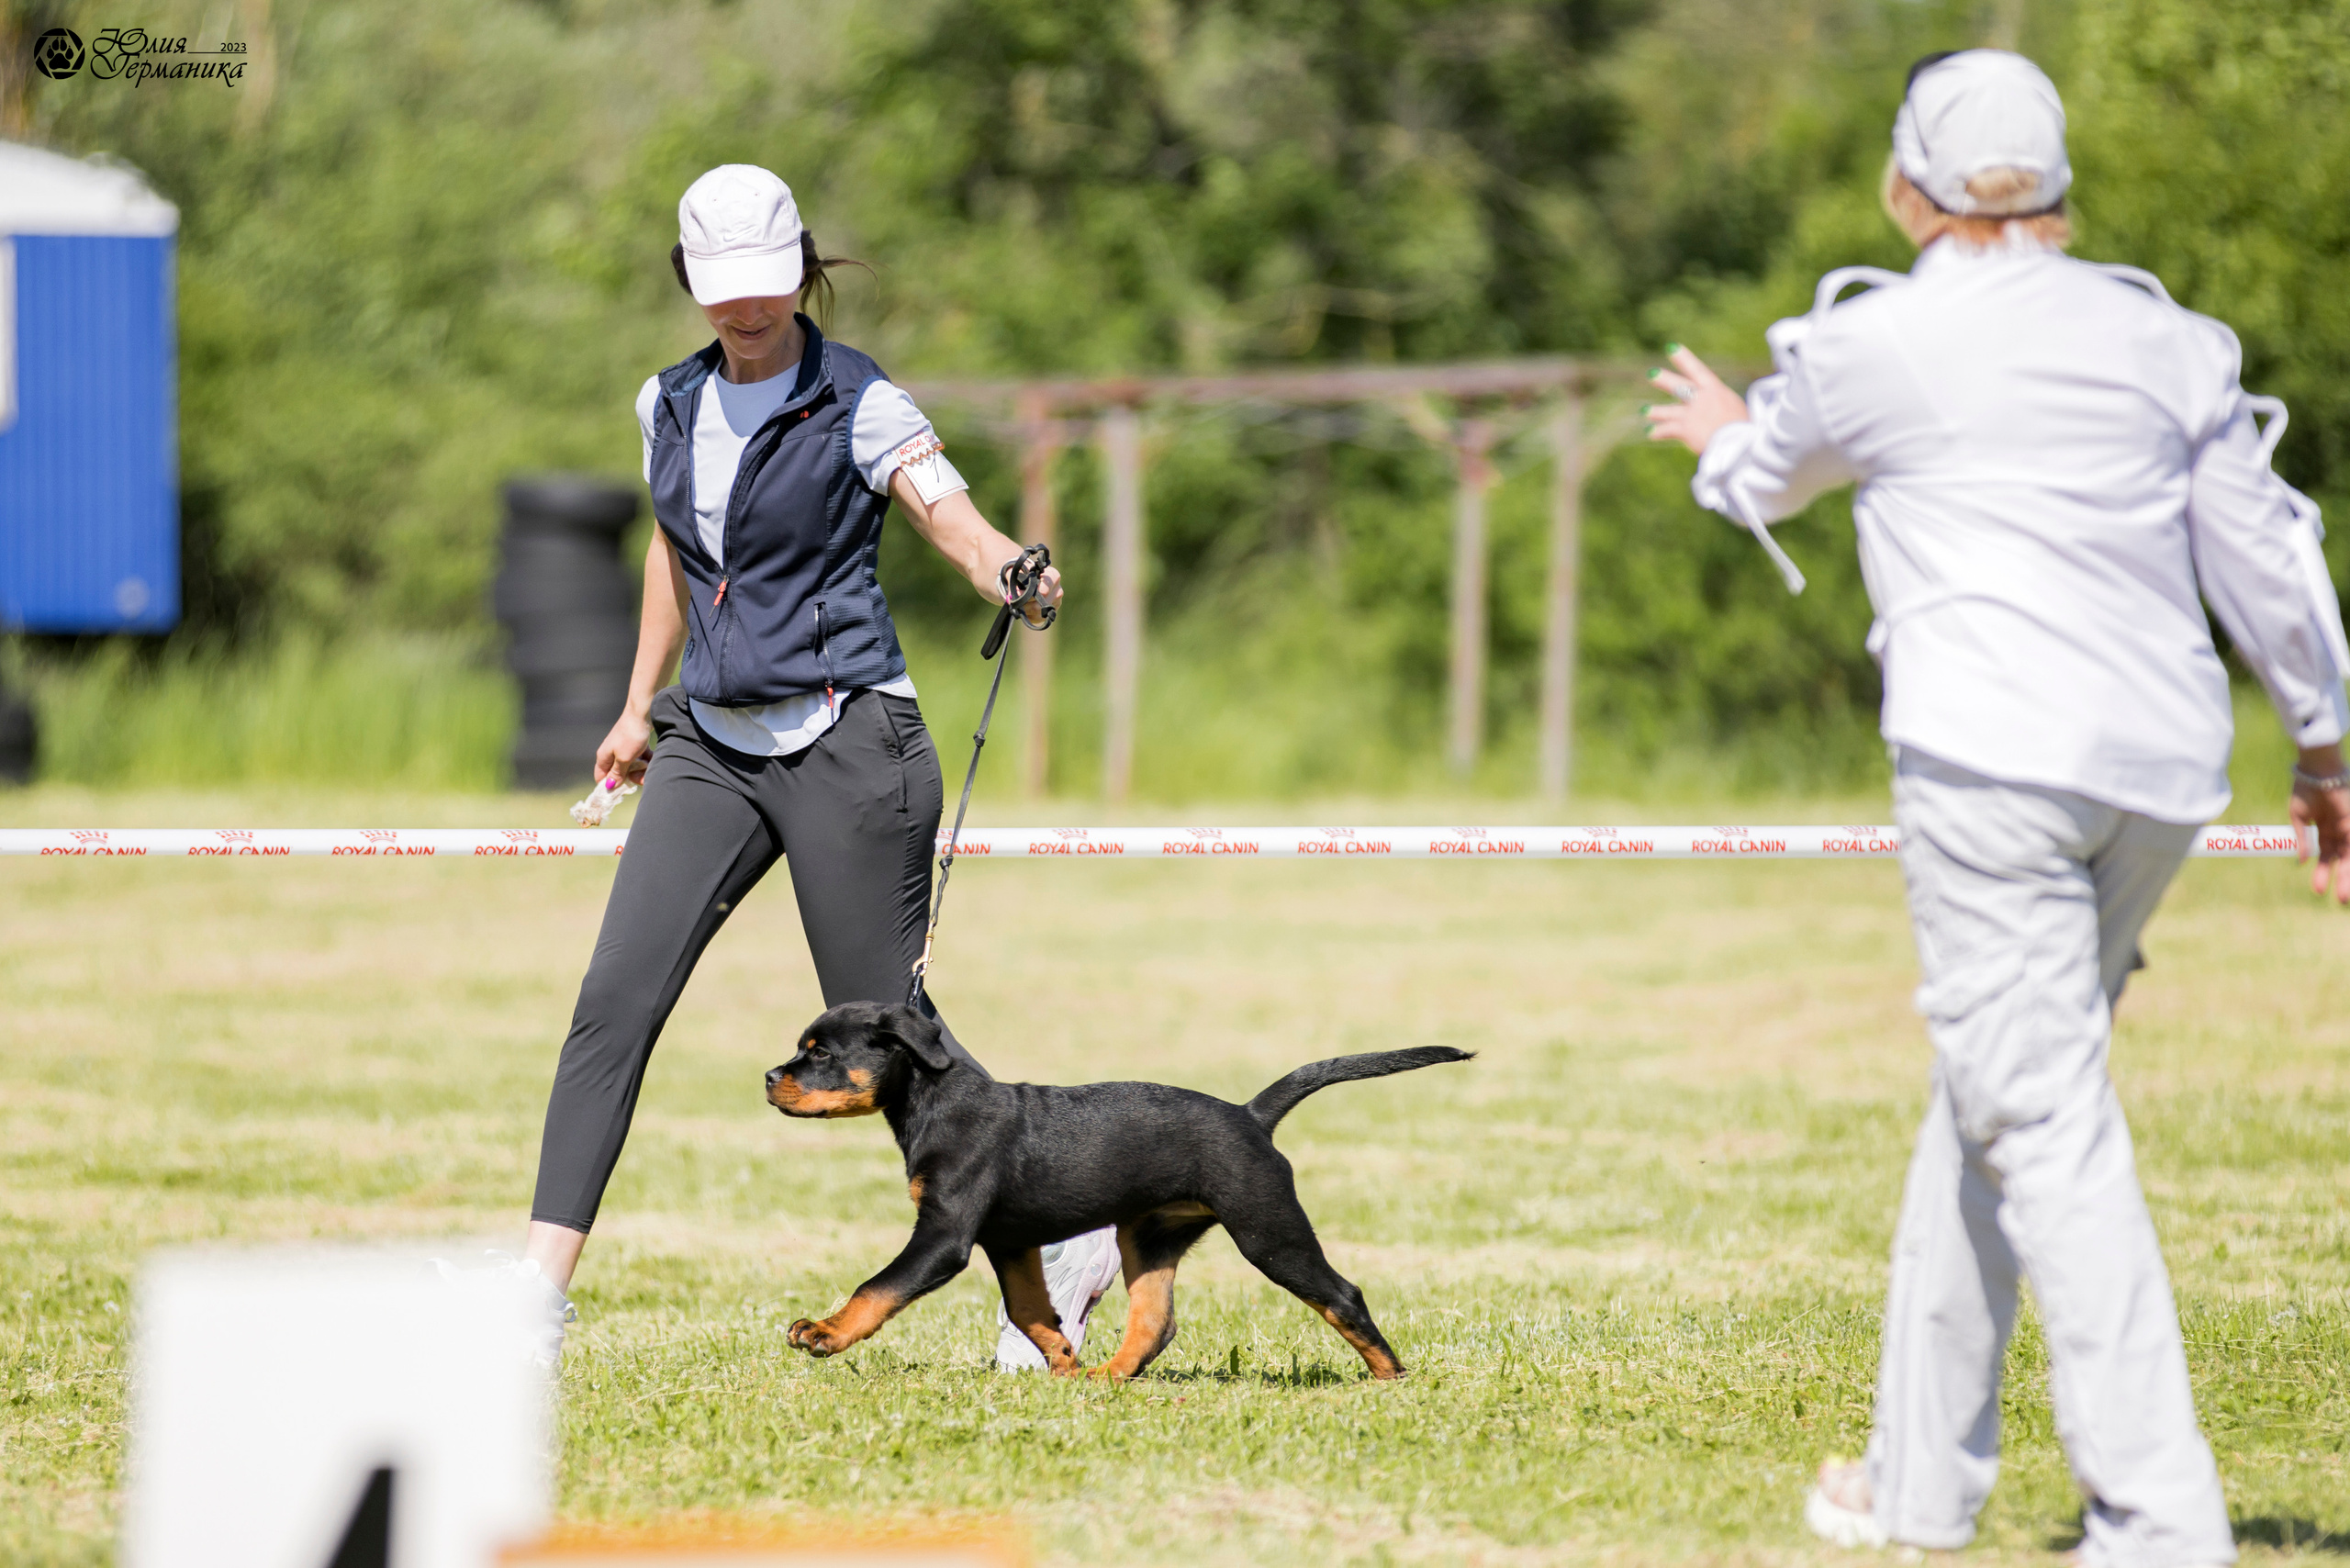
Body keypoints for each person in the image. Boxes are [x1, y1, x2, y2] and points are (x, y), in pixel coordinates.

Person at [1644, 50, 2350, 1563]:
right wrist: (2328, 750)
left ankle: (2160, 1524)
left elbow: (1764, 475)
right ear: (2061, 193)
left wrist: (1719, 436)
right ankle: (1915, 1490)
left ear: (1910, 190)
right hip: (2161, 778)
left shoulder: (1876, 343)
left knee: (2037, 1114)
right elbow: (2269, 555)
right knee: (1999, 1098)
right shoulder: (2169, 341)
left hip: (1991, 774)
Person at [510, 164, 1121, 1370]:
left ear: (803, 269)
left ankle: (1058, 1264)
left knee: (900, 1049)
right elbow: (676, 554)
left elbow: (949, 515)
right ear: (689, 282)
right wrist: (639, 708)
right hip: (712, 746)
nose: (747, 310)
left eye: (770, 285)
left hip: (852, 746)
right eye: (723, 290)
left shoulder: (862, 400)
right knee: (613, 1003)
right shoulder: (665, 405)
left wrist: (1013, 571)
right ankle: (535, 1293)